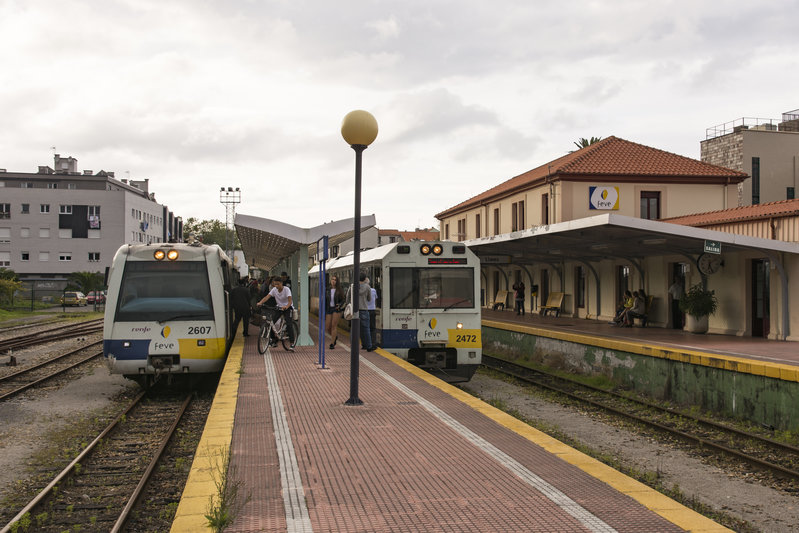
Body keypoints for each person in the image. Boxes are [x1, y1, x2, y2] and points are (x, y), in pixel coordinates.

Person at [256, 276, 295, 350]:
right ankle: (274, 340)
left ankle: (292, 343)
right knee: (271, 323)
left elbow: (290, 301)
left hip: (288, 308)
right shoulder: (274, 290)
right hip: (279, 308)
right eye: (275, 284)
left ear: (281, 283)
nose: (276, 286)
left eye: (277, 284)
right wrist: (260, 302)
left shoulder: (287, 289)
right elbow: (266, 297)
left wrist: (286, 307)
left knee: (289, 324)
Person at [346, 272, 373, 351]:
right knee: (366, 329)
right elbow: (369, 299)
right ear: (365, 279)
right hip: (364, 310)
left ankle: (353, 345)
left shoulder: (352, 286)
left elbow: (347, 298)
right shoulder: (367, 287)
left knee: (353, 329)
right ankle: (368, 346)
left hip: (354, 311)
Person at [326, 275, 346, 349]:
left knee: (333, 326)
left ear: (337, 281)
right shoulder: (327, 289)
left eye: (335, 280)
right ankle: (335, 337)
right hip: (329, 309)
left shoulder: (340, 290)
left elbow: (344, 299)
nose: (333, 281)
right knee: (327, 327)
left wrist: (339, 305)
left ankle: (332, 343)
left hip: (336, 309)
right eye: (332, 279)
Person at [367, 278, 378, 347]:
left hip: (364, 310)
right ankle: (373, 343)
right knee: (372, 327)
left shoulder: (362, 290)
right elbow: (376, 298)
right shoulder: (373, 290)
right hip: (372, 310)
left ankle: (367, 343)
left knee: (365, 328)